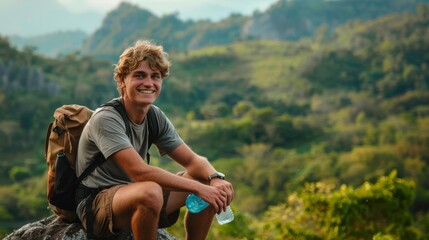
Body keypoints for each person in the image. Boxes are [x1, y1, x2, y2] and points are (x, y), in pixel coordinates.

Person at [75, 40, 234, 240]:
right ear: (123, 80)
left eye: (155, 76)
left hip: (136, 194)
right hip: (98, 204)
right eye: (139, 75)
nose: (148, 83)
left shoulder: (153, 116)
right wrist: (200, 188)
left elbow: (193, 161)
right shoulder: (106, 118)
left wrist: (215, 179)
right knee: (151, 191)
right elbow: (140, 172)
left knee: (205, 179)